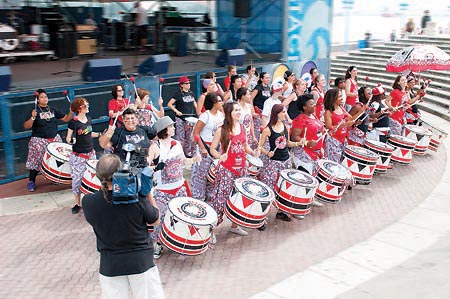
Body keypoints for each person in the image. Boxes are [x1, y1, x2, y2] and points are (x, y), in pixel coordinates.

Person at [82, 154, 164, 299]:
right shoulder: (136, 199)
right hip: (140, 262)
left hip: (110, 264)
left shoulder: (88, 202)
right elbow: (155, 219)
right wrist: (147, 192)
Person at [209, 102, 258, 242]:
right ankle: (211, 229)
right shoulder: (221, 130)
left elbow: (245, 146)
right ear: (228, 113)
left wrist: (253, 152)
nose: (239, 112)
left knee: (238, 198)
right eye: (236, 110)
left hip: (241, 168)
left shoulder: (242, 127)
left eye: (239, 110)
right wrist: (219, 156)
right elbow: (212, 149)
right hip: (227, 170)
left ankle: (235, 225)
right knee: (220, 200)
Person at [147, 116, 189, 258]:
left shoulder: (177, 143)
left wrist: (195, 159)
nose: (174, 128)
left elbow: (184, 161)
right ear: (164, 130)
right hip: (162, 190)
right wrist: (154, 167)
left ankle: (179, 243)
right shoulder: (155, 147)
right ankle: (158, 244)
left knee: (180, 217)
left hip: (179, 187)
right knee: (160, 217)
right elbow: (145, 167)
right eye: (171, 126)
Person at [24, 88, 72, 192]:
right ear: (37, 99)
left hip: (54, 138)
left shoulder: (53, 109)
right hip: (39, 140)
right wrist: (32, 117)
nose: (45, 98)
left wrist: (71, 111)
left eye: (46, 96)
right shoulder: (34, 111)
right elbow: (26, 126)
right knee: (36, 162)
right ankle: (31, 181)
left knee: (58, 159)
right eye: (41, 97)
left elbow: (66, 119)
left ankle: (54, 178)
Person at [258, 104, 300, 222]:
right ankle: (262, 215)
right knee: (269, 186)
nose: (285, 114)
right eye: (283, 112)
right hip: (274, 162)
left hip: (286, 161)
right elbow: (260, 146)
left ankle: (282, 211)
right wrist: (267, 153)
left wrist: (298, 143)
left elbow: (287, 143)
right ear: (276, 114)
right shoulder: (268, 129)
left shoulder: (285, 126)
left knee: (284, 187)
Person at [66, 98, 100, 214]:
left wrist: (101, 134)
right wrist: (72, 140)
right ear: (79, 108)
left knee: (92, 178)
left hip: (90, 153)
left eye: (87, 104)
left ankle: (93, 201)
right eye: (85, 105)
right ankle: (77, 203)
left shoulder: (89, 119)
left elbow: (90, 134)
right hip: (79, 155)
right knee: (77, 179)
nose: (87, 107)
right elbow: (68, 138)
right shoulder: (73, 122)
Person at [190, 93, 224, 201]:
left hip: (216, 147)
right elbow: (196, 133)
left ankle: (210, 195)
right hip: (205, 146)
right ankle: (198, 197)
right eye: (219, 100)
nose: (221, 102)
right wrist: (202, 148)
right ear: (213, 102)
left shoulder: (220, 115)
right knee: (201, 174)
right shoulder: (205, 116)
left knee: (212, 172)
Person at [291, 93, 324, 174]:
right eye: (311, 104)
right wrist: (307, 143)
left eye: (314, 103)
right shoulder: (300, 120)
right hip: (305, 155)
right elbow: (294, 136)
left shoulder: (314, 116)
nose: (314, 105)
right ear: (304, 107)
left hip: (316, 153)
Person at [167, 76, 197, 157]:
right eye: (186, 83)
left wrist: (197, 110)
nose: (188, 85)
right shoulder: (178, 94)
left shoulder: (191, 93)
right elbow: (169, 104)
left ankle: (187, 152)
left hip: (189, 118)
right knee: (180, 137)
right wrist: (177, 111)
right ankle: (179, 153)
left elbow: (194, 103)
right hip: (180, 118)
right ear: (181, 85)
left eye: (189, 83)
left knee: (188, 137)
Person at [323, 88, 354, 162]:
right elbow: (329, 127)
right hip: (333, 140)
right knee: (334, 162)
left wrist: (361, 111)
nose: (342, 98)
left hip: (343, 139)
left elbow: (351, 118)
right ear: (333, 98)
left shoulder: (341, 108)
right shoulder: (328, 112)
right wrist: (345, 125)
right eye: (339, 96)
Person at [250, 72, 271, 141]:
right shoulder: (258, 87)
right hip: (258, 111)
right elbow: (250, 99)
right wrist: (253, 111)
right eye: (266, 78)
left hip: (266, 112)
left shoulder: (268, 88)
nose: (268, 79)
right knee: (258, 130)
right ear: (262, 79)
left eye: (269, 78)